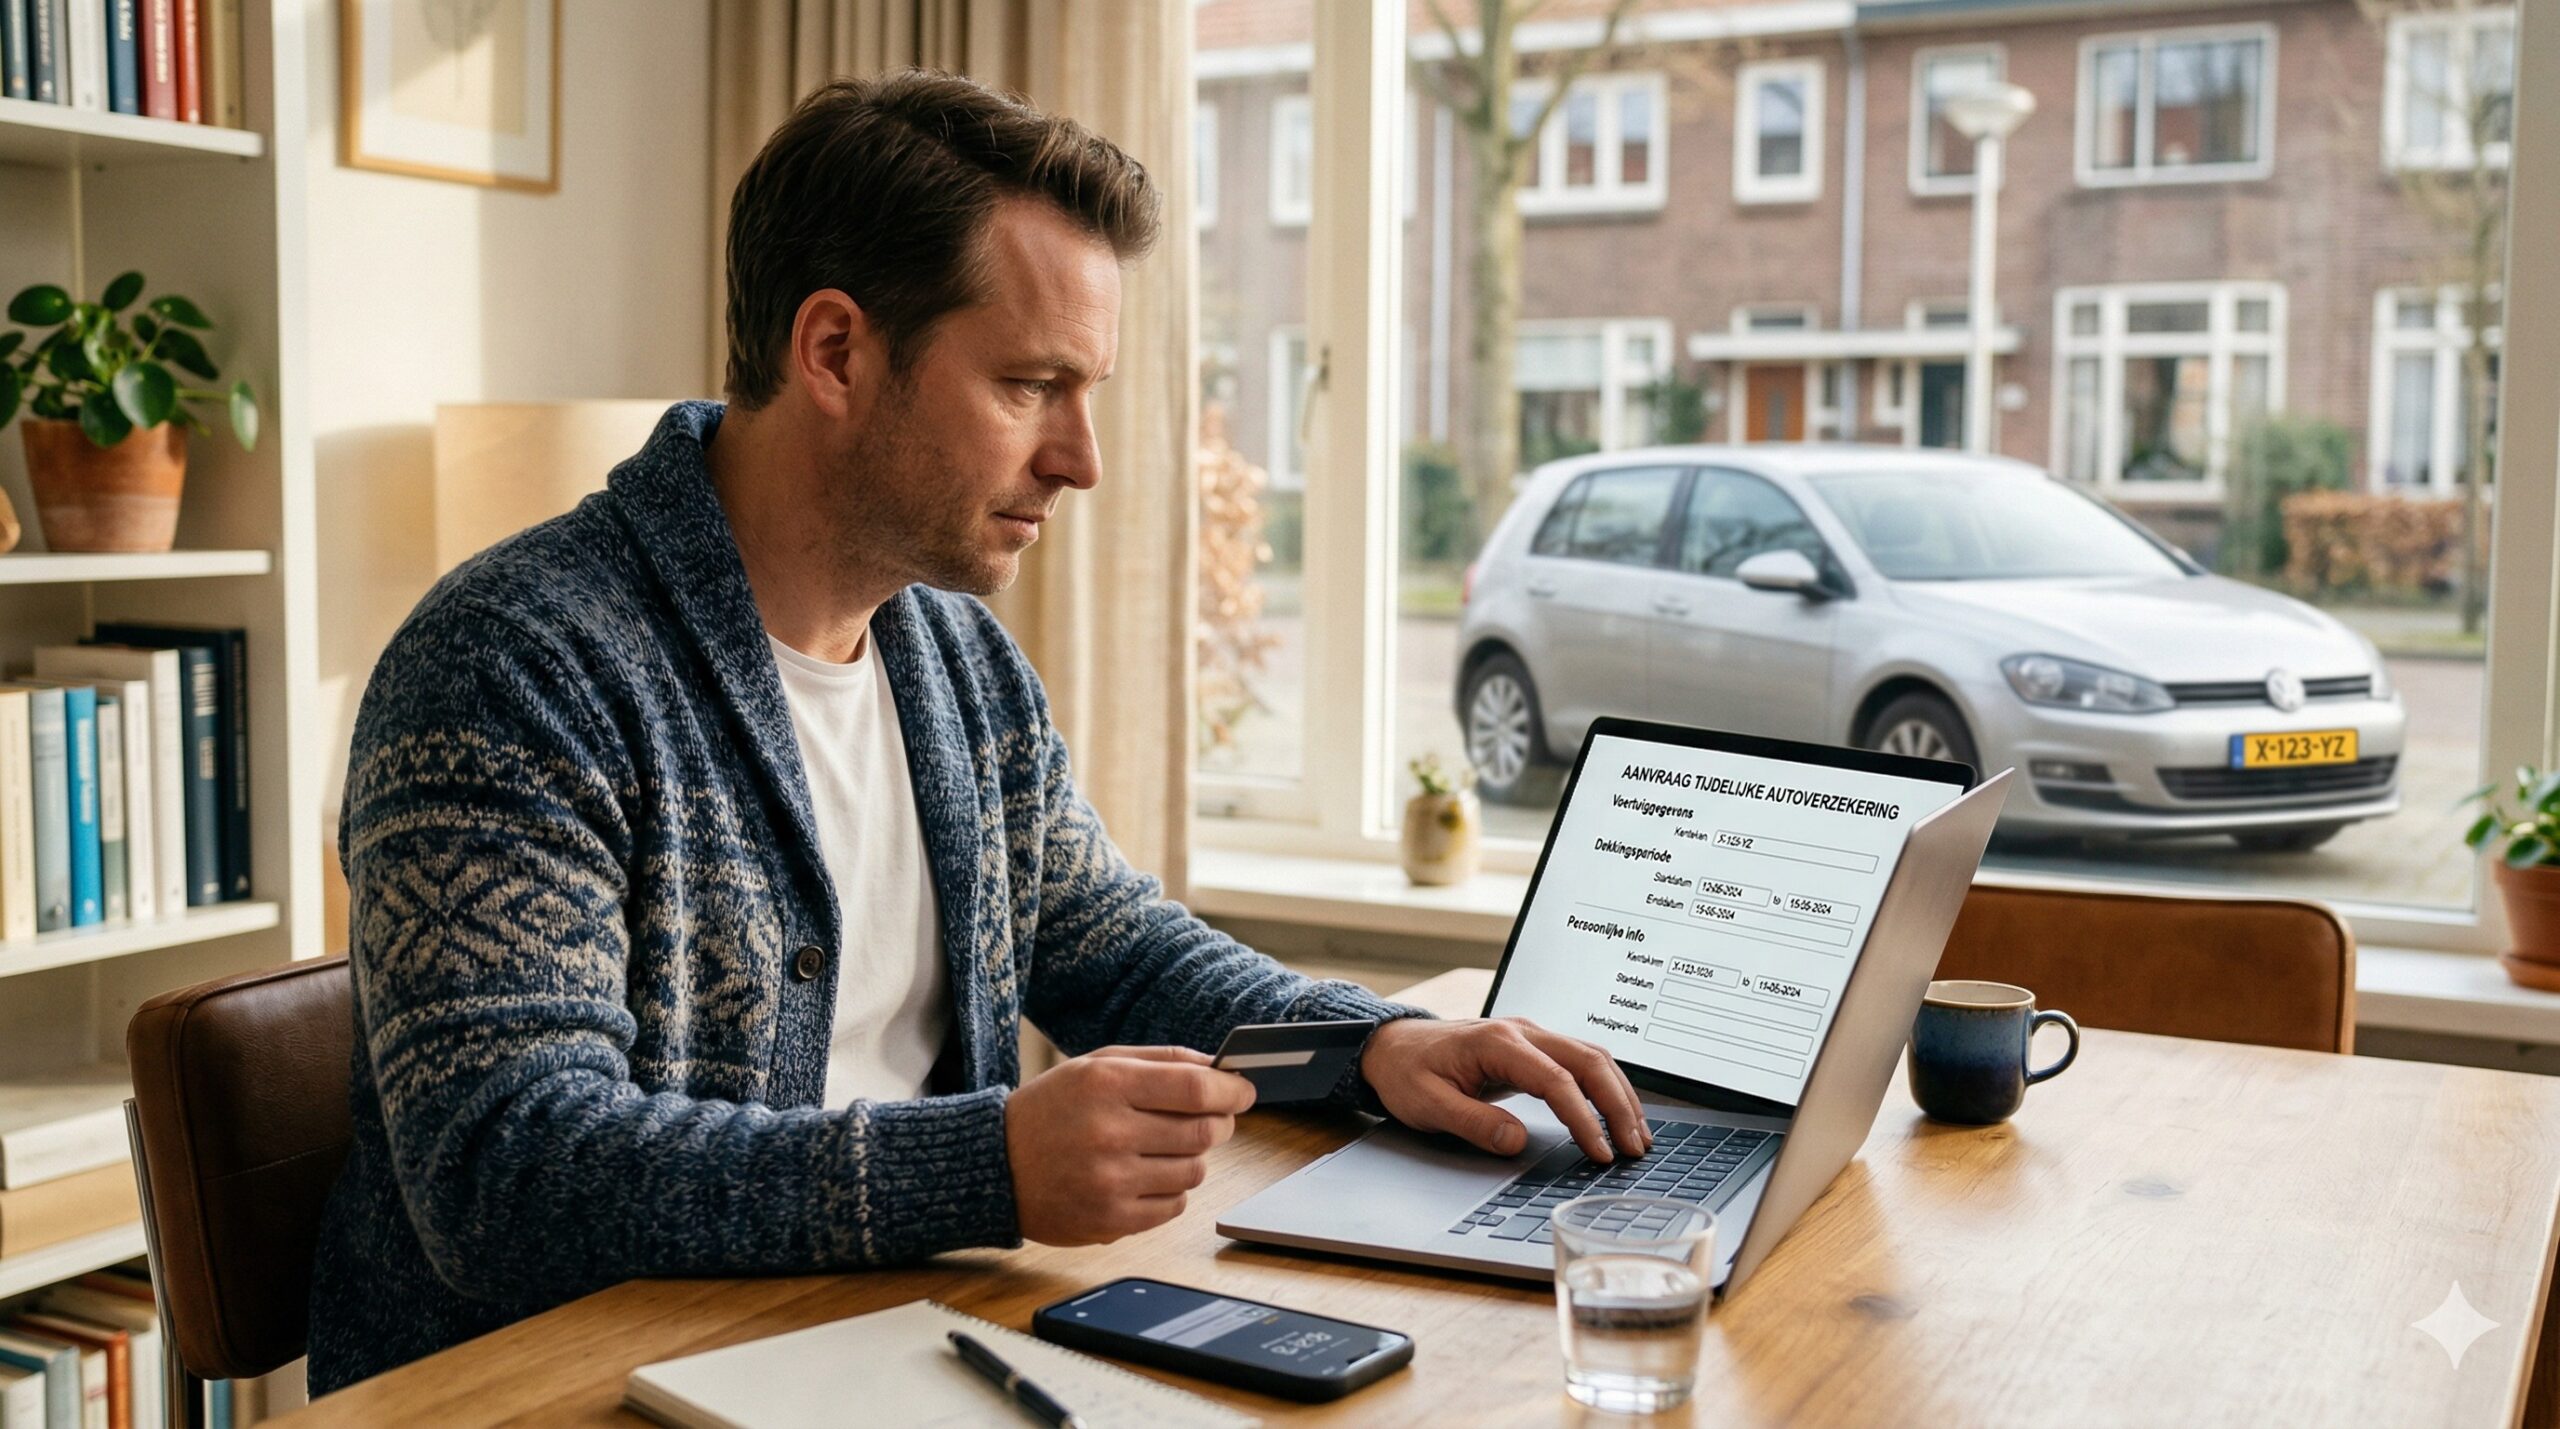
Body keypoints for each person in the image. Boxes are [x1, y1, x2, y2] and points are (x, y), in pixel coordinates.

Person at [306, 69, 1646, 1394]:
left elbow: (1110, 946)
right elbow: (506, 1173)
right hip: (562, 1392)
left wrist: (1370, 1047)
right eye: (1029, 386)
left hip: (886, 1350)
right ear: (835, 352)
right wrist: (988, 1165)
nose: (1083, 458)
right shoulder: (513, 666)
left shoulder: (948, 652)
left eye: (1088, 391)